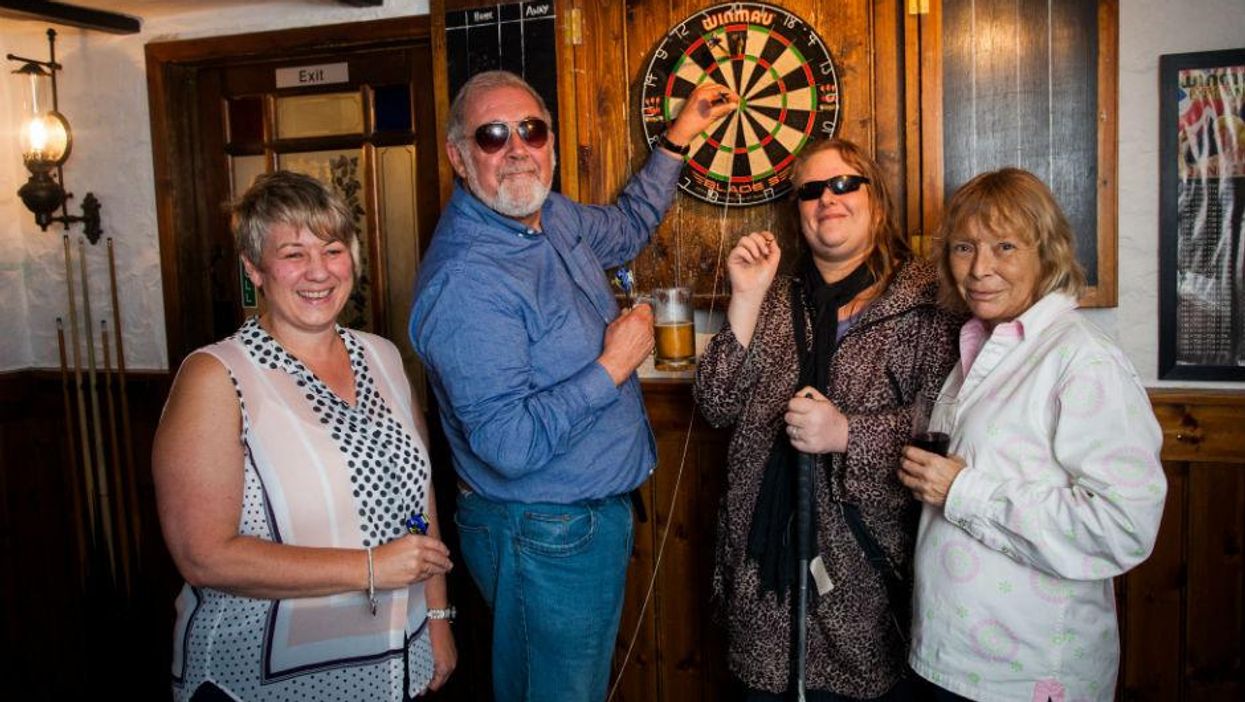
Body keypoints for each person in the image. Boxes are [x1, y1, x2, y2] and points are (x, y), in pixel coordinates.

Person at [407, 70, 737, 701]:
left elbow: (629, 225)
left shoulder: (550, 215)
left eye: (531, 130)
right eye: (492, 135)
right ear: (457, 155)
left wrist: (678, 137)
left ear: (551, 143)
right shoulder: (466, 280)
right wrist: (613, 365)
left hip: (577, 524)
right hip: (540, 534)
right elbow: (507, 444)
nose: (517, 149)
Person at [153, 171, 455, 701]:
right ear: (254, 268)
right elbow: (203, 555)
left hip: (394, 667)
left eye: (333, 250)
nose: (319, 271)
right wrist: (369, 568)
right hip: (261, 680)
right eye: (293, 254)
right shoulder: (216, 376)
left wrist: (436, 615)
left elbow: (418, 497)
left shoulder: (383, 356)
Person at [694, 138, 963, 700]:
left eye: (844, 184)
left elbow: (945, 426)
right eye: (811, 191)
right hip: (764, 581)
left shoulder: (927, 303)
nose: (827, 199)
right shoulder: (774, 297)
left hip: (865, 582)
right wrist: (744, 298)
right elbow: (715, 403)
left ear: (876, 200)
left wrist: (846, 434)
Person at [899, 168, 1167, 702]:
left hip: (1028, 674)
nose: (980, 268)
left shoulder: (1083, 359)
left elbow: (1123, 526)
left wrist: (963, 490)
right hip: (948, 658)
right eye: (964, 247)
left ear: (1047, 253)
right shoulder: (980, 346)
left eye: (1005, 246)